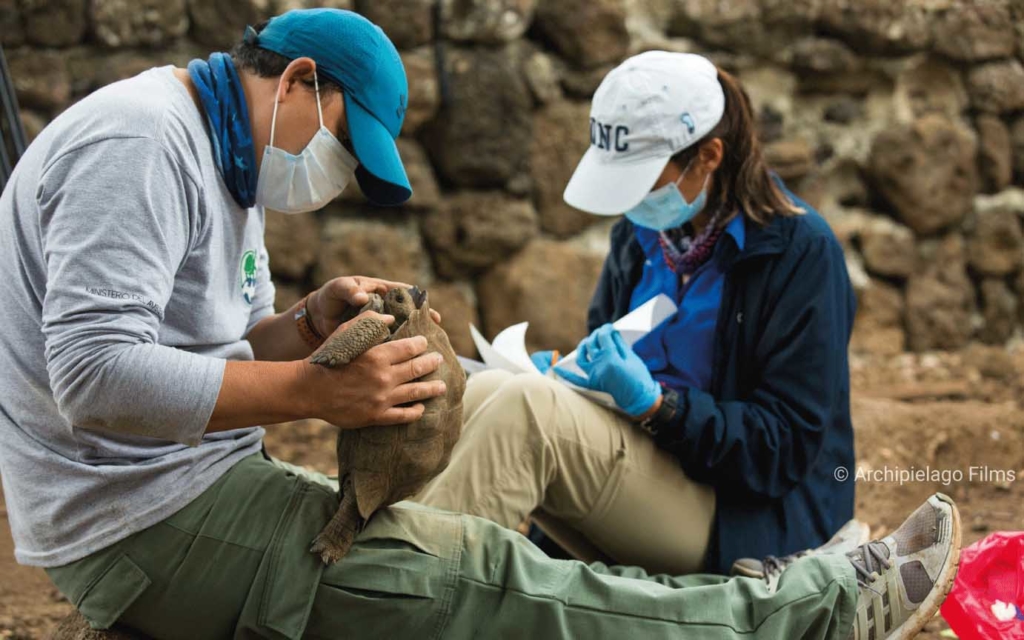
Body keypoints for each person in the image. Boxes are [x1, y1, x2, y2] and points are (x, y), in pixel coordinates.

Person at [0, 10, 957, 639]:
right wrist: (314, 388)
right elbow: (94, 377)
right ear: (296, 82)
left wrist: (298, 326)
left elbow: (190, 349)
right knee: (488, 578)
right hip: (140, 521)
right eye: (343, 145)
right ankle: (823, 616)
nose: (333, 176)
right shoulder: (141, 145)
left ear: (707, 158)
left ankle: (418, 591)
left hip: (746, 499)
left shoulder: (217, 153)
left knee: (479, 534)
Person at [416, 51, 858, 579]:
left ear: (709, 157)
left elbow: (782, 449)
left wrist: (659, 406)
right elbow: (605, 362)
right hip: (649, 474)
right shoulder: (642, 235)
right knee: (489, 393)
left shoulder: (800, 253)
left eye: (643, 181)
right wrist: (575, 376)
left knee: (529, 412)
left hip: (745, 512)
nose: (632, 202)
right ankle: (394, 580)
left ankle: (408, 596)